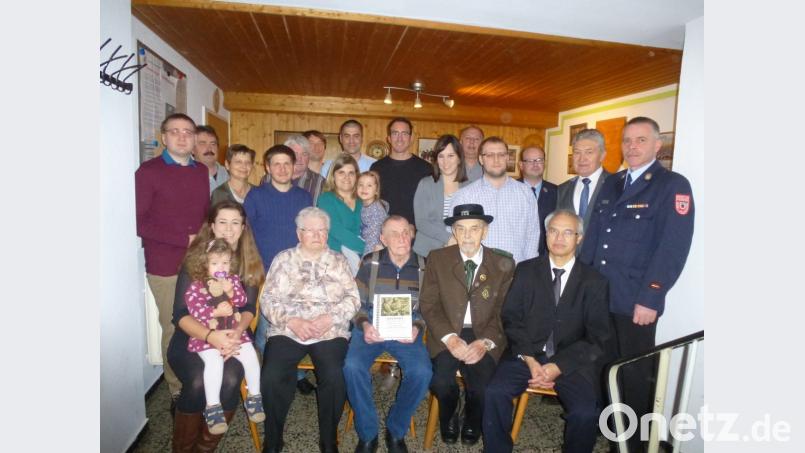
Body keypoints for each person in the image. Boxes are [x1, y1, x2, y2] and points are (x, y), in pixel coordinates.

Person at [580, 116, 695, 451]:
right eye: (627, 140)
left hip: (635, 302)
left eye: (641, 140)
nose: (632, 146)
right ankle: (618, 439)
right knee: (606, 371)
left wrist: (651, 297)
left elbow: (673, 248)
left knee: (636, 377)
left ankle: (641, 445)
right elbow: (594, 241)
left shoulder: (672, 185)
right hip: (601, 297)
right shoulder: (613, 183)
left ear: (657, 146)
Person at [483, 209, 611, 453]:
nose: (559, 238)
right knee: (494, 393)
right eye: (553, 231)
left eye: (567, 232)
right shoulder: (526, 270)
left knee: (585, 412)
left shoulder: (595, 281)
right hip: (526, 354)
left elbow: (597, 337)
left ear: (579, 238)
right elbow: (511, 317)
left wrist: (557, 366)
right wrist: (530, 359)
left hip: (572, 360)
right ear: (546, 234)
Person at [259, 207, 361, 453]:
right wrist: (292, 321)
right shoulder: (283, 259)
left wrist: (330, 318)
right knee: (272, 375)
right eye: (310, 230)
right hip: (288, 328)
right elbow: (268, 299)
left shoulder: (338, 261)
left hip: (329, 329)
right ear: (299, 233)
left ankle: (328, 440)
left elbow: (353, 298)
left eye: (322, 230)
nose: (317, 235)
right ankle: (273, 439)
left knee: (335, 376)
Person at [167, 200, 265, 452]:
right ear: (212, 226)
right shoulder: (197, 261)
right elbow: (180, 314)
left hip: (235, 331)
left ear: (243, 228)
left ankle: (204, 448)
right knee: (198, 380)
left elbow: (248, 309)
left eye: (235, 223)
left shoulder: (249, 263)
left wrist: (234, 334)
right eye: (222, 222)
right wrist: (212, 336)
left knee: (232, 377)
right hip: (194, 331)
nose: (229, 229)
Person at [419, 204, 515, 446]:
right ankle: (449, 413)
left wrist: (485, 342)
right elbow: (429, 305)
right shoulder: (438, 259)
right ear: (454, 232)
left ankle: (473, 418)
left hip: (485, 332)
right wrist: (450, 337)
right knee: (440, 381)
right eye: (461, 229)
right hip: (447, 328)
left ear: (485, 232)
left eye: (474, 229)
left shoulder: (502, 264)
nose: (467, 235)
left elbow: (506, 312)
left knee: (484, 386)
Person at [135, 113, 210, 403]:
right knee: (174, 323)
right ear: (164, 137)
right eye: (175, 132)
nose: (182, 137)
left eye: (188, 132)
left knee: (200, 319)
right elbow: (140, 223)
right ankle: (176, 385)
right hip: (165, 265)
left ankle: (201, 374)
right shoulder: (148, 171)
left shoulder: (200, 172)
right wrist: (183, 240)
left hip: (198, 263)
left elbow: (204, 215)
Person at [343, 216, 432, 453]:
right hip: (372, 324)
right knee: (352, 367)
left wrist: (418, 327)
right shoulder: (370, 262)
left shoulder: (423, 265)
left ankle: (396, 429)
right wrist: (363, 325)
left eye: (406, 232)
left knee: (423, 372)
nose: (402, 238)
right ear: (383, 239)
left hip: (407, 326)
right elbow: (355, 302)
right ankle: (368, 433)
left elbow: (429, 307)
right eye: (394, 233)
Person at [183, 237, 265, 434]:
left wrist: (232, 290)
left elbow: (243, 301)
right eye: (215, 263)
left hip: (234, 332)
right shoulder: (197, 285)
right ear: (204, 264)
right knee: (214, 363)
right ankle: (213, 407)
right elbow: (193, 310)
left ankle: (254, 396)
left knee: (251, 357)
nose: (221, 267)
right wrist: (214, 313)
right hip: (208, 337)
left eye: (225, 263)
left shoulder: (233, 280)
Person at [244, 144, 313, 355]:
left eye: (287, 164)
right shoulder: (255, 196)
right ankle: (263, 378)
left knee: (295, 325)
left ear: (294, 167)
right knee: (266, 328)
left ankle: (296, 372)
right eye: (277, 164)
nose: (282, 169)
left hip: (296, 273)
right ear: (267, 167)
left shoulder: (304, 197)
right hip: (265, 273)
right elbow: (245, 234)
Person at [449, 137, 540, 264]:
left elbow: (532, 237)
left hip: (516, 271)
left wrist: (529, 272)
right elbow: (454, 237)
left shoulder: (526, 194)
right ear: (481, 159)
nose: (496, 160)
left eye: (501, 154)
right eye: (490, 155)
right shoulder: (464, 196)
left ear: (507, 157)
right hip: (477, 273)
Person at [412, 134, 469, 258]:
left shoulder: (469, 188)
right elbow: (421, 222)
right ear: (436, 159)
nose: (445, 162)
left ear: (459, 158)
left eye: (451, 156)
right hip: (427, 253)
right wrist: (448, 238)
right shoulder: (425, 184)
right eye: (441, 156)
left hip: (460, 253)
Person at [370, 117, 433, 225]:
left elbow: (430, 206)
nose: (400, 138)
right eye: (395, 133)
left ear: (411, 138)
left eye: (404, 133)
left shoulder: (426, 168)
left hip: (417, 233)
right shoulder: (377, 168)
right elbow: (373, 203)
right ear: (389, 138)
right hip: (385, 232)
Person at [557, 129, 610, 239]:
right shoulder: (561, 189)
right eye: (577, 152)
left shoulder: (616, 185)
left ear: (602, 155)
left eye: (589, 152)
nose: (582, 159)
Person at [317, 154, 365, 274]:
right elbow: (337, 231)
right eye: (341, 172)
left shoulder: (363, 199)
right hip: (336, 263)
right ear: (333, 176)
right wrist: (368, 251)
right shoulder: (326, 199)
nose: (346, 177)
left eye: (351, 173)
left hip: (363, 262)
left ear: (357, 176)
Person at [518, 145, 557, 256]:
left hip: (546, 257)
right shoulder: (509, 190)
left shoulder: (557, 192)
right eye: (530, 161)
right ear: (521, 165)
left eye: (539, 160)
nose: (535, 164)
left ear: (545, 163)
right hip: (516, 255)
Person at [286, 134, 326, 205]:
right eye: (295, 154)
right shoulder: (269, 179)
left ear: (309, 156)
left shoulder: (321, 182)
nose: (299, 159)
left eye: (304, 154)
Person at [356, 171, 389, 256]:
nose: (364, 188)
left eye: (369, 185)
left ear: (376, 191)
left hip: (375, 248)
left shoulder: (375, 211)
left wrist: (365, 258)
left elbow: (373, 238)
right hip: (364, 242)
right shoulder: (362, 204)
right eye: (361, 185)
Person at [194, 125, 229, 193]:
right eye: (203, 143)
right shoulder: (186, 176)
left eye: (213, 144)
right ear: (192, 149)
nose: (209, 148)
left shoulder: (230, 174)